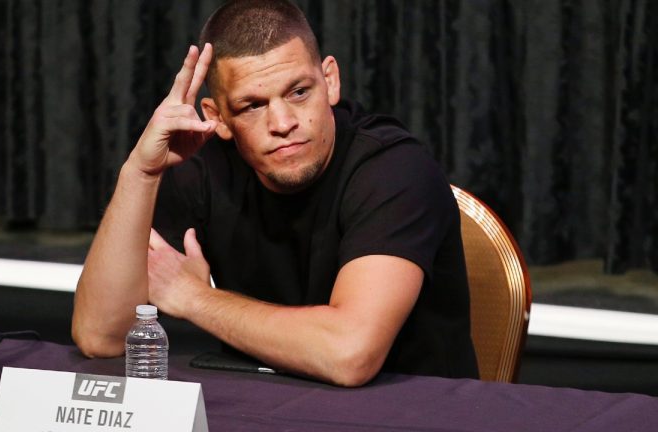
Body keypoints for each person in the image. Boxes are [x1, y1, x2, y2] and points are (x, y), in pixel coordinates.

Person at [72, 0, 478, 387]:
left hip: (411, 413)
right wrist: (140, 172)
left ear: (330, 80)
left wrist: (192, 297)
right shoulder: (203, 166)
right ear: (217, 117)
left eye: (299, 92)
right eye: (252, 106)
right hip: (265, 407)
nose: (283, 122)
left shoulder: (394, 168)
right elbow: (100, 335)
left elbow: (350, 354)